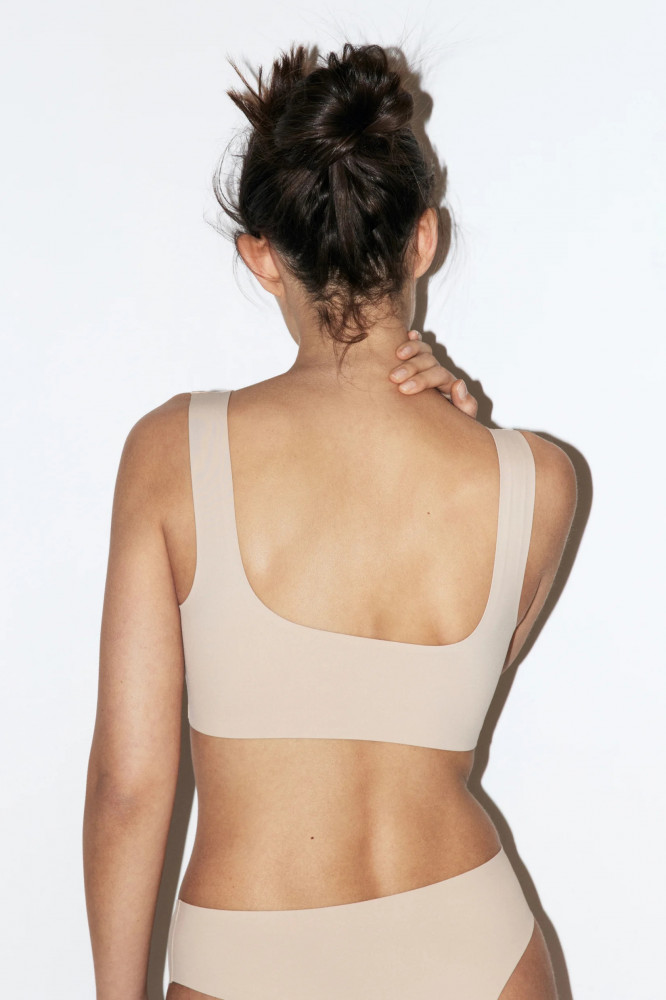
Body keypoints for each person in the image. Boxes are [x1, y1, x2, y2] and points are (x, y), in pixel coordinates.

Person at [83, 43, 577, 1000]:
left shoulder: (171, 455)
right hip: (475, 947)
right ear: (423, 239)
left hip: (247, 960)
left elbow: (130, 789)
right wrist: (470, 431)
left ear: (263, 257)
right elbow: (433, 705)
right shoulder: (540, 483)